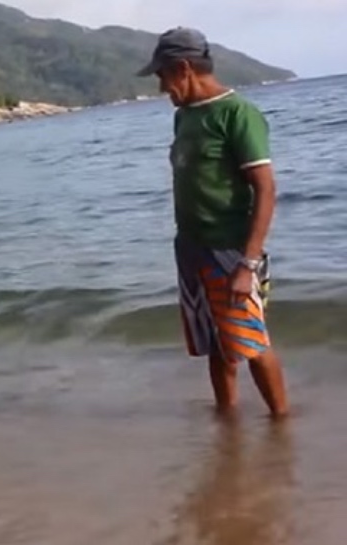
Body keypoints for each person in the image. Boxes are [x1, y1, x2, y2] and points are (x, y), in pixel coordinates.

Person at [136, 27, 289, 418]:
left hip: (230, 250)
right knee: (218, 343)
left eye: (163, 76)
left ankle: (281, 427)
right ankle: (229, 430)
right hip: (190, 247)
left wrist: (247, 264)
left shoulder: (237, 114)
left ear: (184, 68)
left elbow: (266, 190)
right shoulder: (184, 117)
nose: (161, 88)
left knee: (251, 342)